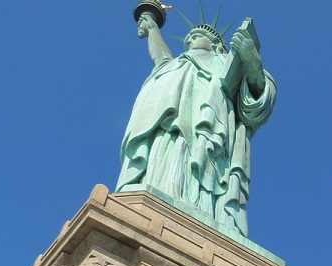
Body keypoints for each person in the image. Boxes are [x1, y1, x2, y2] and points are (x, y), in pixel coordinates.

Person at [117, 11, 277, 238]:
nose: (190, 38)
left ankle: (200, 212)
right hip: (166, 125)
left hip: (208, 135)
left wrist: (252, 61)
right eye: (188, 37)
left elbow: (259, 100)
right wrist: (153, 28)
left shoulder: (224, 64)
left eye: (196, 35)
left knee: (193, 163)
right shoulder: (176, 64)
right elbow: (161, 57)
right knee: (163, 161)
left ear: (215, 44)